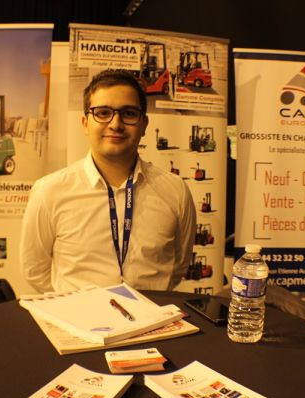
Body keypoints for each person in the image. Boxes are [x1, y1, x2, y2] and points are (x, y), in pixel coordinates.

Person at [19, 69, 196, 293]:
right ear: (85, 123)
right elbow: (34, 270)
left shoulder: (175, 191)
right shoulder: (49, 191)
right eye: (103, 113)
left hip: (152, 314)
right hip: (79, 314)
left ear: (144, 124)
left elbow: (179, 265)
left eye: (129, 113)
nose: (115, 124)